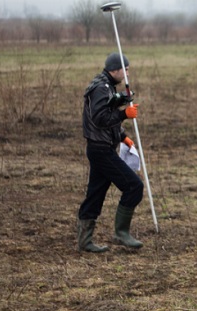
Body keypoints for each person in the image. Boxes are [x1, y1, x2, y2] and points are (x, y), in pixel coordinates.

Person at [76, 52, 143, 253]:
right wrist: (124, 114)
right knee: (133, 186)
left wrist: (122, 137)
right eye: (126, 69)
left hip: (101, 147)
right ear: (115, 69)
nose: (128, 73)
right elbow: (99, 118)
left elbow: (107, 114)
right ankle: (121, 233)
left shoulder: (107, 86)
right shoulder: (100, 88)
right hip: (101, 150)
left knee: (95, 194)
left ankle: (85, 241)